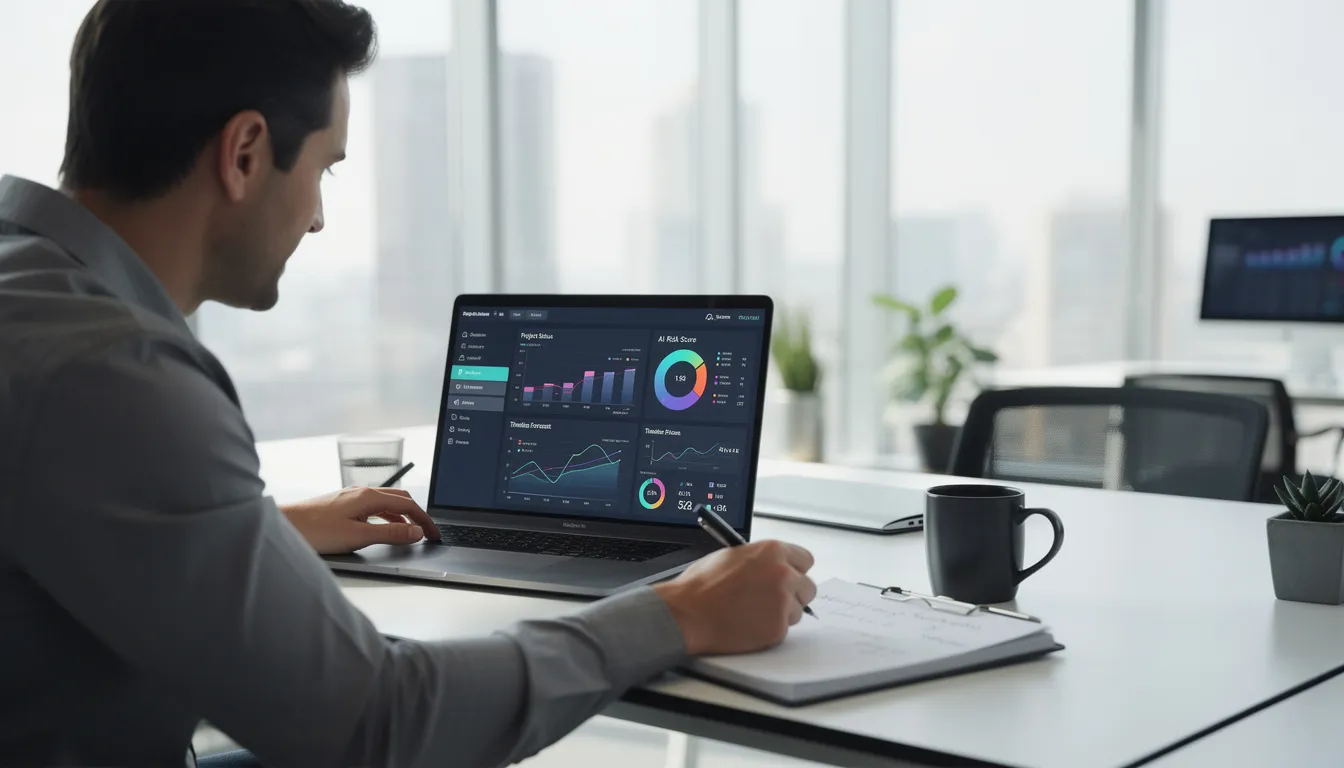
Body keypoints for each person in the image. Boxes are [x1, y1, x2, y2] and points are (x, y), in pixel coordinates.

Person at [0, 1, 818, 767]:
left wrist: (263, 531)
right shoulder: (117, 374)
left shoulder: (31, 296)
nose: (317, 217)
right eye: (324, 169)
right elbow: (376, 725)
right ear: (244, 153)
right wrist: (676, 615)